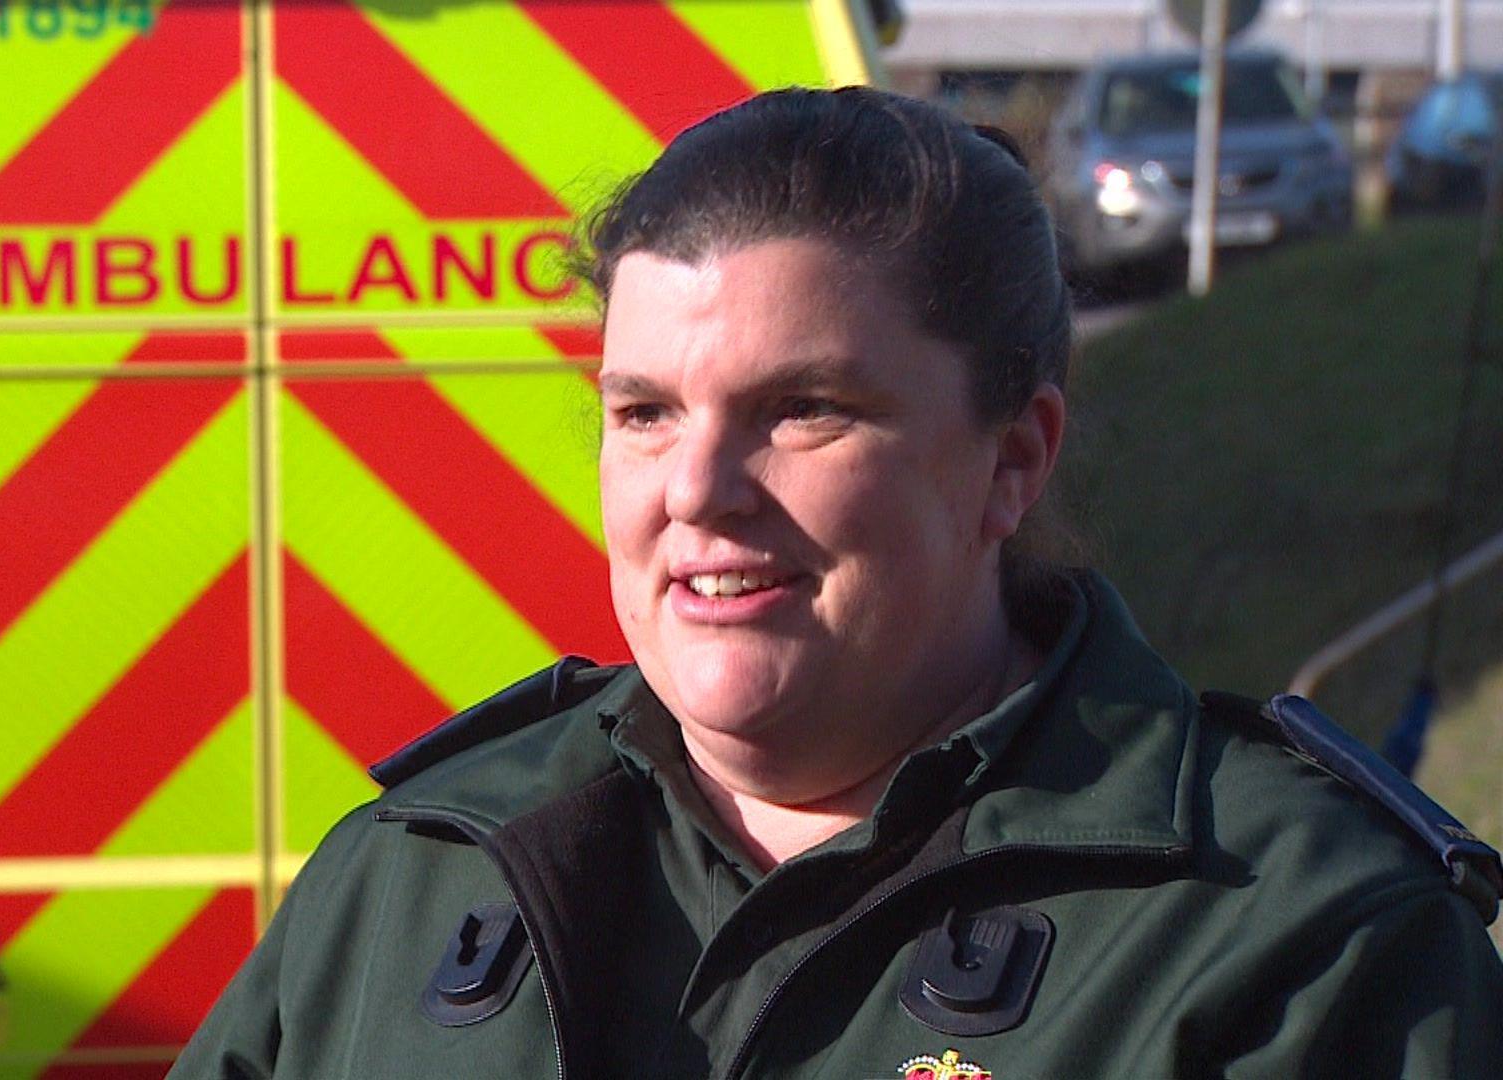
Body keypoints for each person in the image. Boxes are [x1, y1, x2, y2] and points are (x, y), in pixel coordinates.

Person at [171, 86, 1503, 1080]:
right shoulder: (409, 880)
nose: (695, 489)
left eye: (800, 409)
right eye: (641, 411)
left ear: (1012, 460)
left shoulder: (1301, 940)